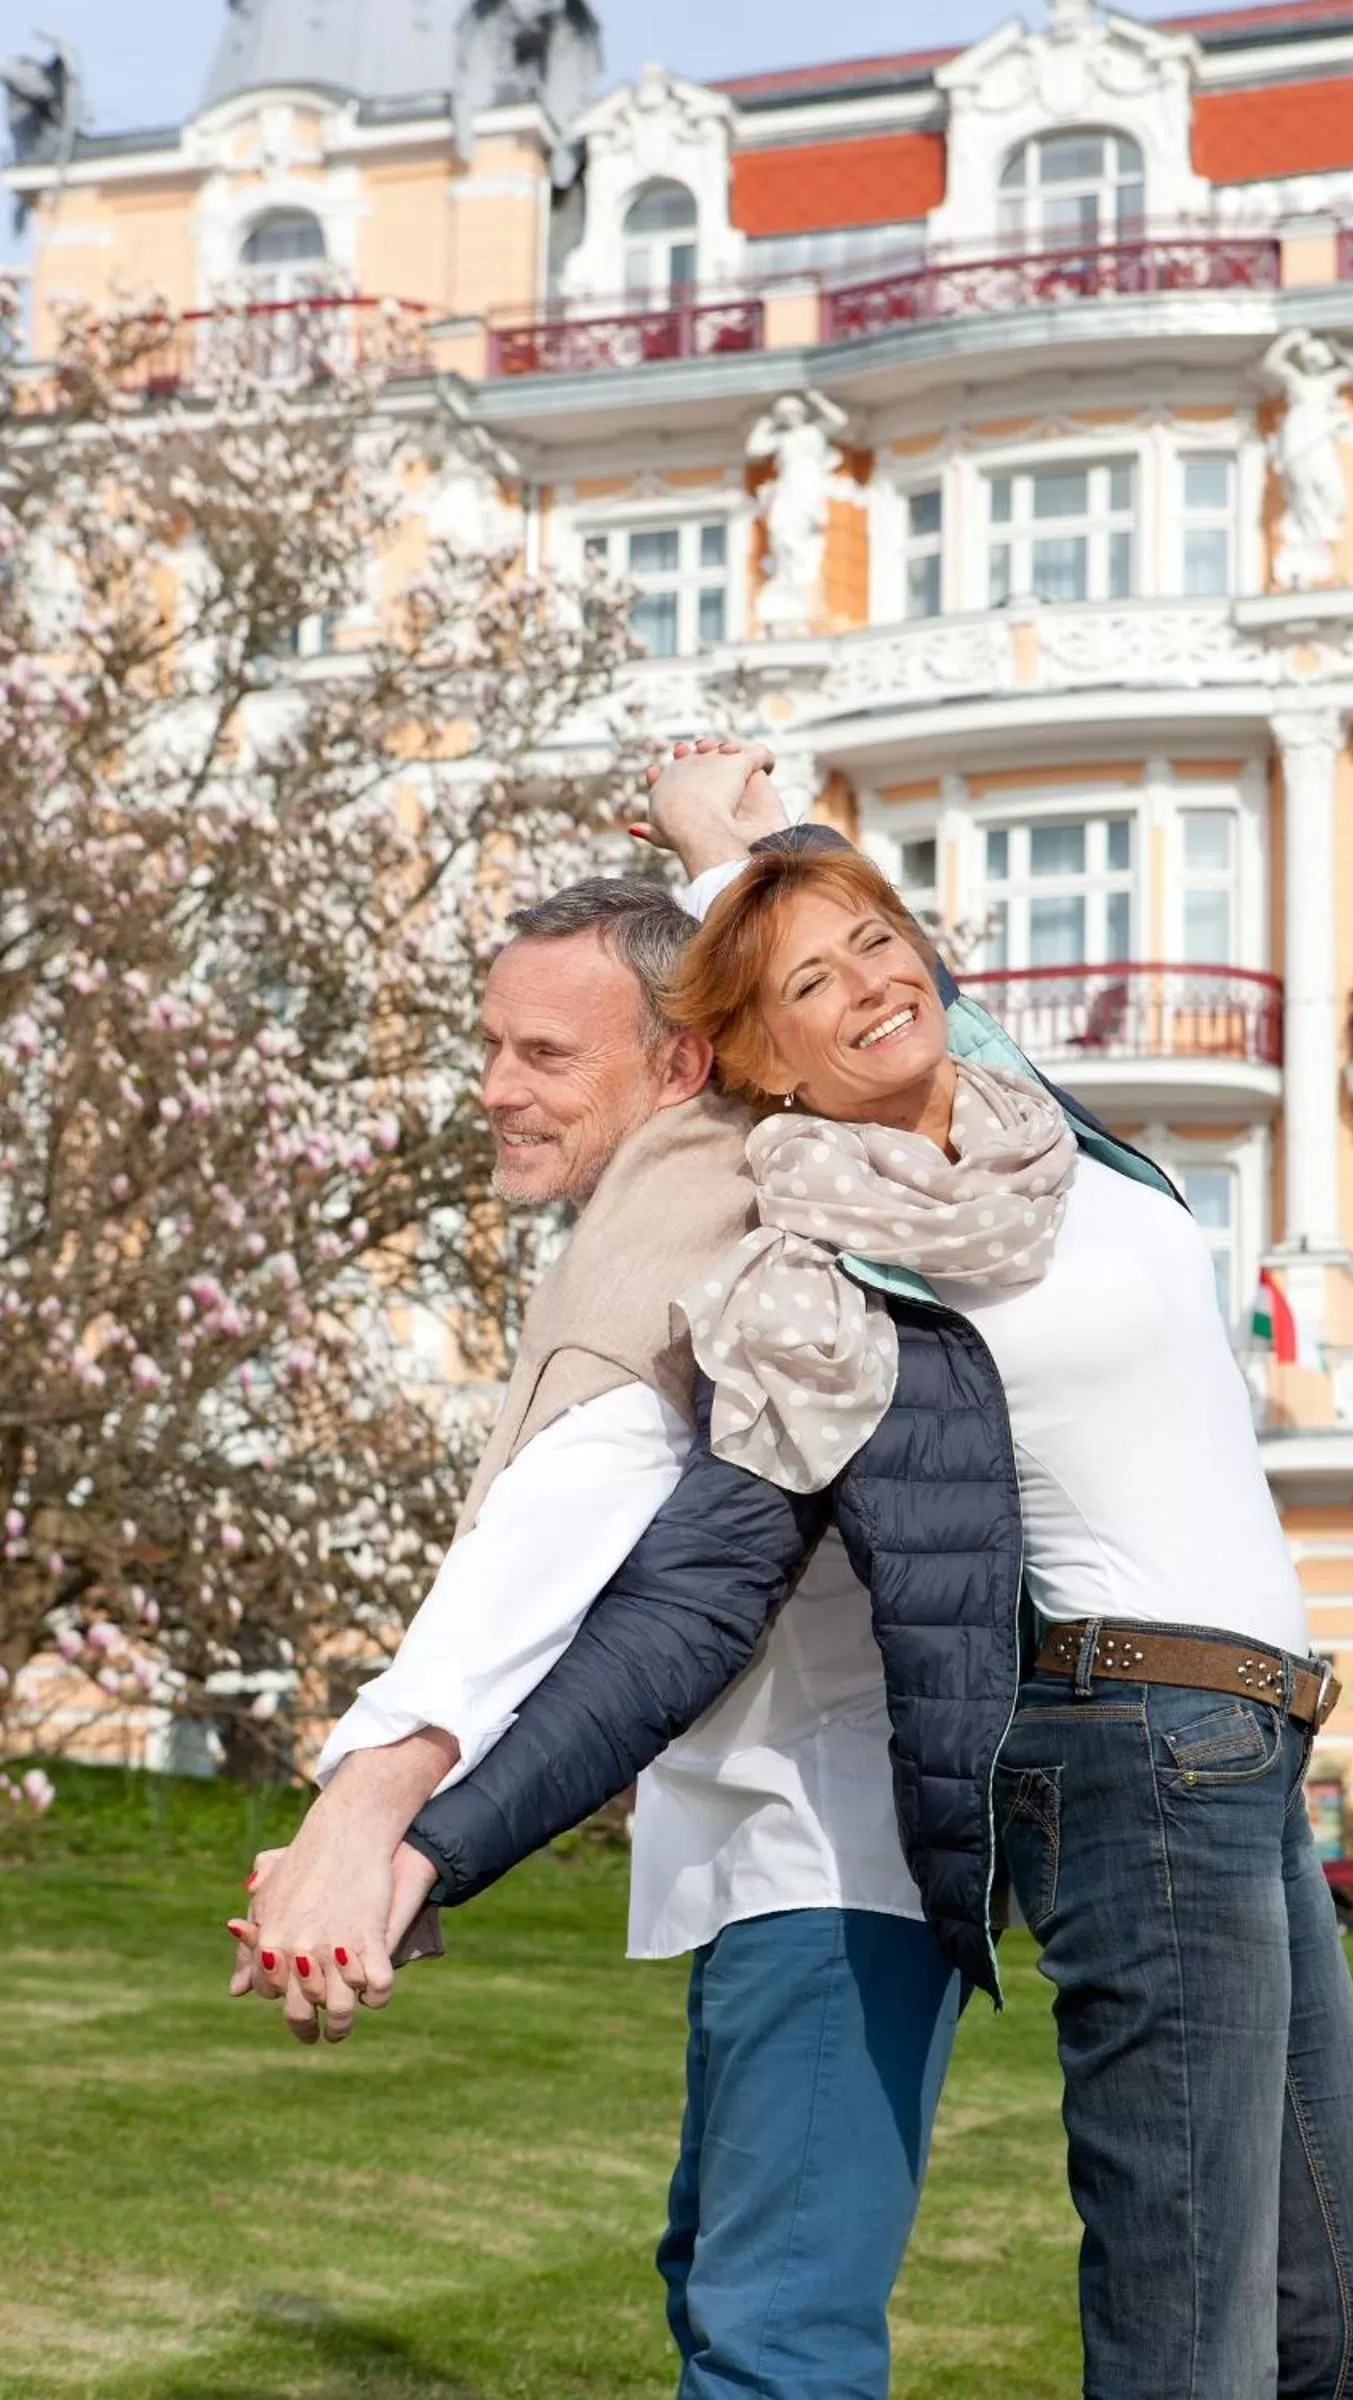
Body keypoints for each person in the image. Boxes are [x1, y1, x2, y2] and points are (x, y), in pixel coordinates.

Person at [394, 786, 1353, 2398]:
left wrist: (746, 849)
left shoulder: (1032, 1132)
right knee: (1195, 2335)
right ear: (764, 1071)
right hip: (1128, 1751)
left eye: (883, 943)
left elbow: (881, 977)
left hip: (1258, 1754)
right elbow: (690, 1592)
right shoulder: (829, 1273)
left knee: (1350, 2330)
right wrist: (428, 1838)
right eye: (812, 987)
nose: (873, 982)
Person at [232, 753, 972, 2400]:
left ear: (686, 1061)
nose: (497, 1086)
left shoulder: (696, 1190)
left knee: (773, 2337)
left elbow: (566, 1517)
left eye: (545, 1052)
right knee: (726, 2292)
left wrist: (367, 1814)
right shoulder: (698, 1189)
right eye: (489, 1046)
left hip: (831, 1857)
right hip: (772, 1847)